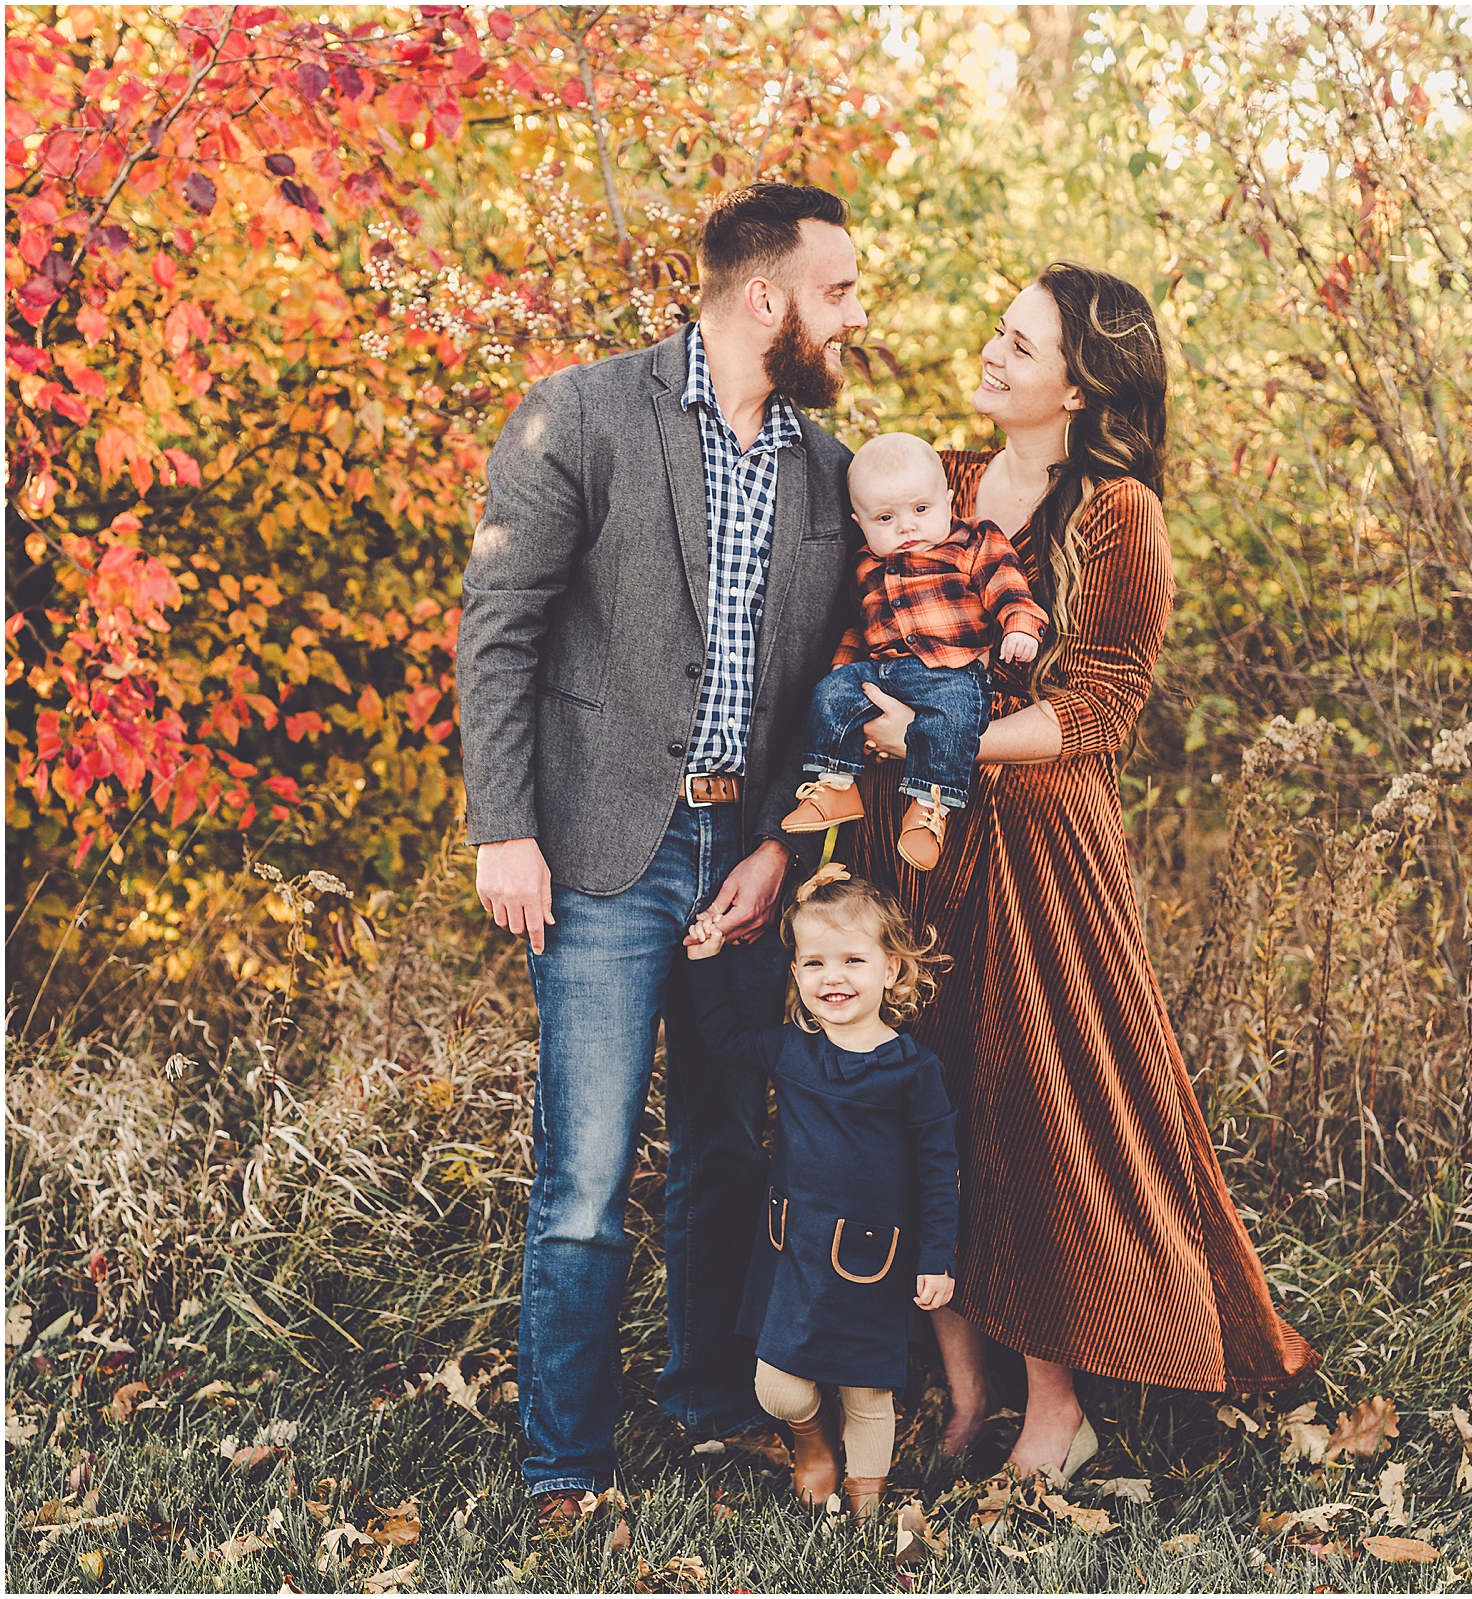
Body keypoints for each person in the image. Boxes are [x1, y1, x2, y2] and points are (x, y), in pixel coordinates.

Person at [845, 262, 1320, 1481]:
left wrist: (931, 739)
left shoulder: (1115, 514)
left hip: (1037, 847)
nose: (993, 354)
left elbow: (1098, 708)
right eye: (996, 330)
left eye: (1021, 344)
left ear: (1078, 385)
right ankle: (960, 1398)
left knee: (1034, 1113)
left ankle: (1059, 1409)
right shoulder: (937, 483)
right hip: (914, 839)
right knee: (924, 1097)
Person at [455, 182, 867, 1511]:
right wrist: (503, 825)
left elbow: (832, 688)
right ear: (769, 298)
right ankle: (562, 1457)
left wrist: (783, 852)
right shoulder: (581, 412)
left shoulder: (832, 469)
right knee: (584, 1172)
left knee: (731, 1151)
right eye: (841, 289)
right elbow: (498, 623)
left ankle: (707, 1400)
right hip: (596, 855)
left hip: (744, 860)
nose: (857, 315)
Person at [683, 865, 959, 1516]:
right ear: (798, 972)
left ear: (891, 968)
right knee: (777, 1382)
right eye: (814, 962)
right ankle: (812, 1443)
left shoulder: (913, 1070)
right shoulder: (791, 1050)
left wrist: (937, 1257)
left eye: (853, 959)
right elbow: (721, 1035)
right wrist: (703, 960)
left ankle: (866, 1500)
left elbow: (938, 1168)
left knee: (867, 1391)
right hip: (793, 1254)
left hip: (874, 1258)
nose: (832, 977)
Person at [778, 434, 1048, 871]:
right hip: (883, 670)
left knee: (952, 719)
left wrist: (1020, 625)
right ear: (859, 522)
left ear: (948, 500)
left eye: (921, 510)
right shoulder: (866, 564)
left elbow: (1006, 584)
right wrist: (842, 674)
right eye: (885, 517)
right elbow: (858, 625)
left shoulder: (971, 540)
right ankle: (834, 782)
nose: (906, 527)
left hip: (953, 670)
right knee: (828, 695)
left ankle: (929, 807)